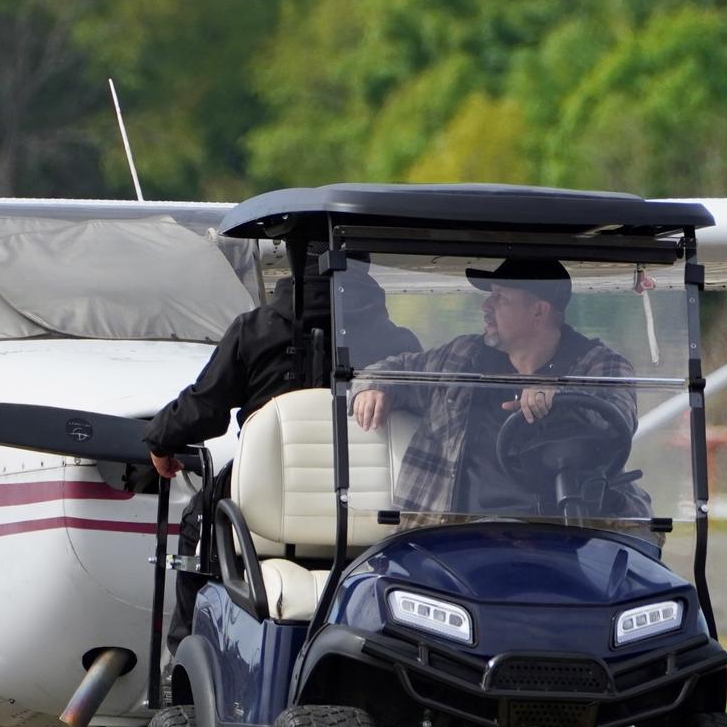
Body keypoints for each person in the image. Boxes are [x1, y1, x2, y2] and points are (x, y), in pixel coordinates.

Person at [145, 261, 419, 642]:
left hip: (277, 504)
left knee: (199, 521)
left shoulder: (253, 329)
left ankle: (187, 650)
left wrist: (161, 439)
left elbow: (205, 409)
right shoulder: (399, 343)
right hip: (365, 507)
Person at [351, 258, 649, 519]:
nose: (485, 306)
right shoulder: (462, 356)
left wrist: (561, 400)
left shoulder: (603, 365)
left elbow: (617, 420)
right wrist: (374, 387)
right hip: (448, 536)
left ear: (539, 312)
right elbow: (391, 368)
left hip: (567, 536)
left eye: (500, 298)